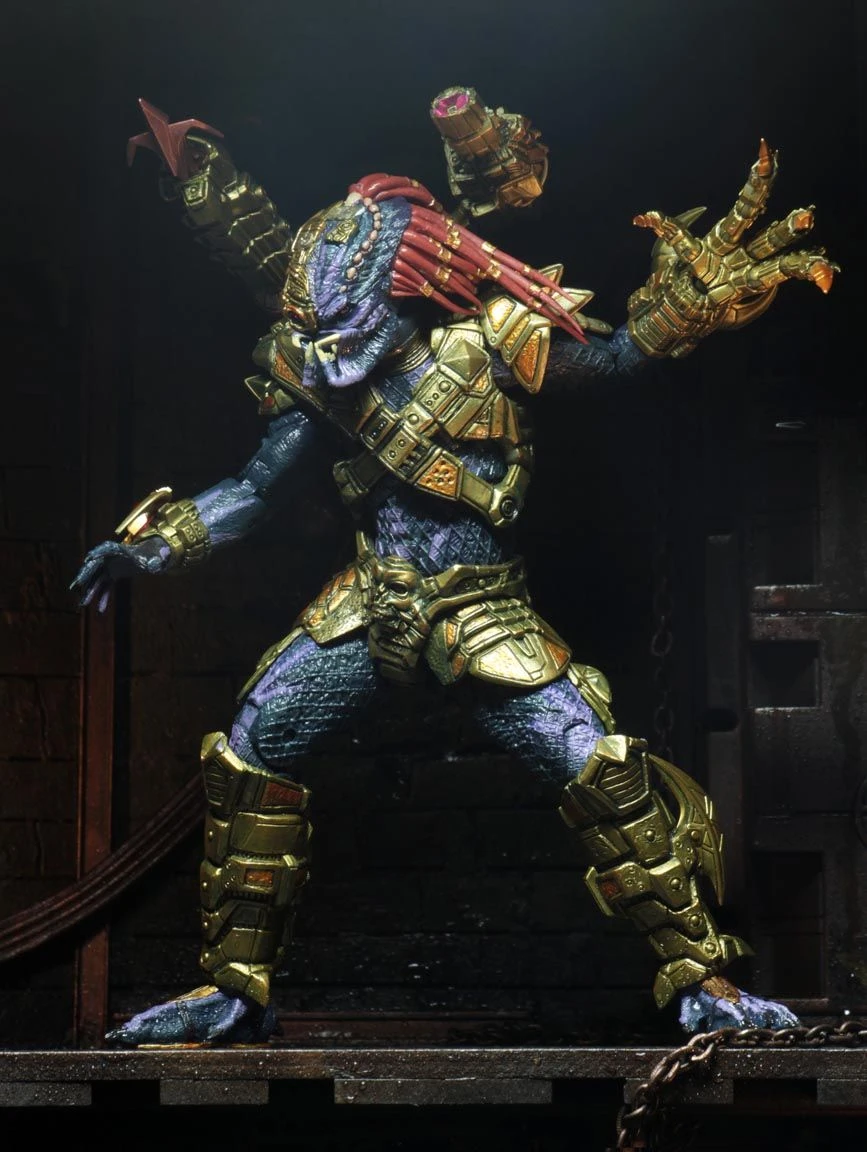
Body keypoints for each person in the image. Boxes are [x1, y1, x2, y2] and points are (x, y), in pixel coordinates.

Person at [72, 88, 837, 1046]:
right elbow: (257, 488)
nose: (331, 349)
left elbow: (609, 364)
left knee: (598, 766)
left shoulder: (493, 340)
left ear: (405, 290)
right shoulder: (320, 370)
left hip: (482, 613)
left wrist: (675, 313)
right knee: (253, 749)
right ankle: (233, 988)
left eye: (347, 323)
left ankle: (702, 978)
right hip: (366, 607)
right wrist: (154, 544)